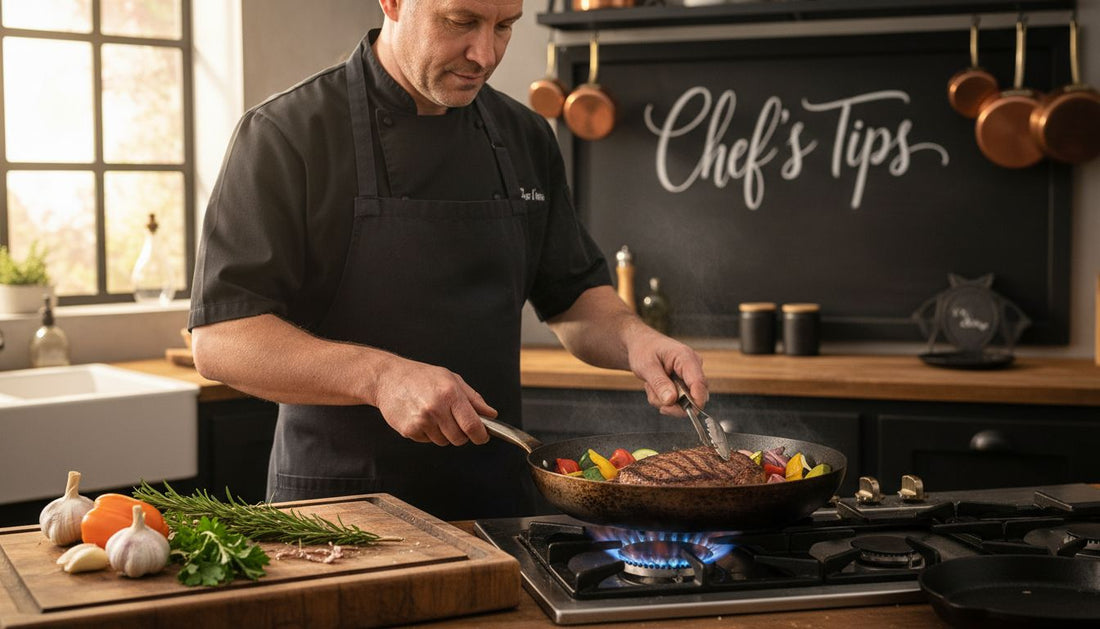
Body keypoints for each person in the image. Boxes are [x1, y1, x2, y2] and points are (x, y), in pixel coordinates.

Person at [189, 0, 708, 520]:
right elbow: (221, 340)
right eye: (460, 22)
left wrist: (636, 339)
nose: (485, 54)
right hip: (342, 511)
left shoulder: (525, 135)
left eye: (504, 27)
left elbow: (572, 300)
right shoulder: (285, 134)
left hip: (496, 507)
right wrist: (380, 377)